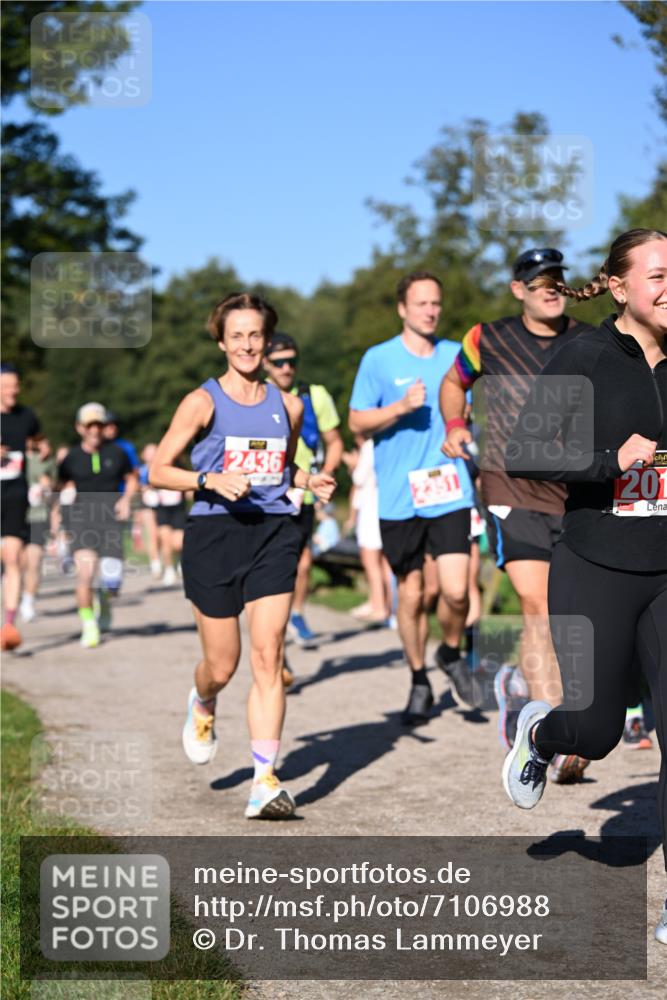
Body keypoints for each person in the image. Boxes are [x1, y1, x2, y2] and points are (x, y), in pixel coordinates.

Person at [498, 229, 667, 943]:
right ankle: (541, 731)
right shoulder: (586, 355)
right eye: (659, 275)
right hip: (595, 561)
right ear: (620, 287)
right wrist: (609, 461)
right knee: (596, 731)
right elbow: (523, 449)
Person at [149, 292, 335, 819]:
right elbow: (158, 470)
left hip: (274, 532)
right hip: (214, 535)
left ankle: (264, 782)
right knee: (223, 665)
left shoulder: (289, 406)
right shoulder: (201, 402)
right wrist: (208, 479)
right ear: (222, 342)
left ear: (267, 340)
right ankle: (203, 701)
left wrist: (308, 480)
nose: (248, 345)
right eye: (237, 336)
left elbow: (281, 467)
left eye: (256, 335)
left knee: (268, 653)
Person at [440, 248, 601, 775]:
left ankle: (516, 685)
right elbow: (453, 382)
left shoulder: (591, 340)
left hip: (576, 491)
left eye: (557, 281)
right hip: (511, 488)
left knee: (575, 610)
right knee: (537, 603)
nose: (550, 290)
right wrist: (455, 425)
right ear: (518, 290)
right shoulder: (486, 337)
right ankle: (557, 728)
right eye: (538, 283)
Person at [349, 271, 476, 725]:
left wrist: (464, 422)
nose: (430, 311)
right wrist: (401, 407)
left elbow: (470, 410)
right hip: (399, 495)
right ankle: (419, 679)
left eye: (436, 303)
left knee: (456, 590)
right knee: (412, 591)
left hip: (450, 486)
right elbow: (357, 422)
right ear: (402, 308)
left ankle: (451, 651)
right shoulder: (378, 359)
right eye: (421, 303)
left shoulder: (457, 356)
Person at [263, 332, 343, 647]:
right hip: (263, 494)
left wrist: (325, 475)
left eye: (292, 361)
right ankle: (271, 623)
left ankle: (295, 614)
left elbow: (334, 443)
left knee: (303, 561)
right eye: (279, 362)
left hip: (302, 493)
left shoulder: (315, 395)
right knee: (269, 563)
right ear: (265, 363)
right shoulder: (254, 395)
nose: (286, 368)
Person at [58, 402, 138, 647]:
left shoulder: (118, 453)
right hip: (82, 521)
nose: (94, 430)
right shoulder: (71, 457)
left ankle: (104, 600)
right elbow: (63, 487)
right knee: (85, 575)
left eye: (99, 425)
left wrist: (126, 500)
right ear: (80, 428)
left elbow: (132, 479)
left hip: (111, 521)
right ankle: (89, 626)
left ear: (105, 427)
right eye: (89, 425)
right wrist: (60, 522)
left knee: (112, 582)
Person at [1, 362, 42, 650]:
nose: (13, 391)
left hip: (15, 497)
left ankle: (9, 624)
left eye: (15, 385)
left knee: (13, 558)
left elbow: (39, 439)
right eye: (7, 386)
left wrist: (42, 448)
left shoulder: (27, 416)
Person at [344, 435, 394, 623]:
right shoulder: (387, 442)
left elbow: (359, 478)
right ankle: (389, 605)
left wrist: (353, 464)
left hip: (370, 508)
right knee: (385, 563)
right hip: (386, 506)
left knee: (371, 560)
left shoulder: (369, 446)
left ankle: (379, 606)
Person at [20, 436, 57, 623]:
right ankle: (17, 592)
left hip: (39, 516)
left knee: (35, 560)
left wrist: (47, 486)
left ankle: (28, 601)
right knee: (19, 562)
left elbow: (54, 492)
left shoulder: (49, 463)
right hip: (16, 516)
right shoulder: (15, 458)